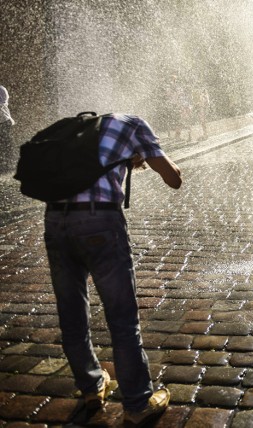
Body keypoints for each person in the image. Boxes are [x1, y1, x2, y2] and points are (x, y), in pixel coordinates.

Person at [43, 114, 182, 426]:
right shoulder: (133, 124)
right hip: (100, 224)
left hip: (55, 221)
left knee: (71, 313)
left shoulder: (75, 133)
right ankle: (137, 402)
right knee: (122, 319)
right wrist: (150, 159)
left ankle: (92, 386)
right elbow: (173, 179)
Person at [0, 85, 15, 174]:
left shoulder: (1, 89)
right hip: (3, 121)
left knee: (6, 144)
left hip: (4, 121)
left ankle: (9, 166)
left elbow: (2, 103)